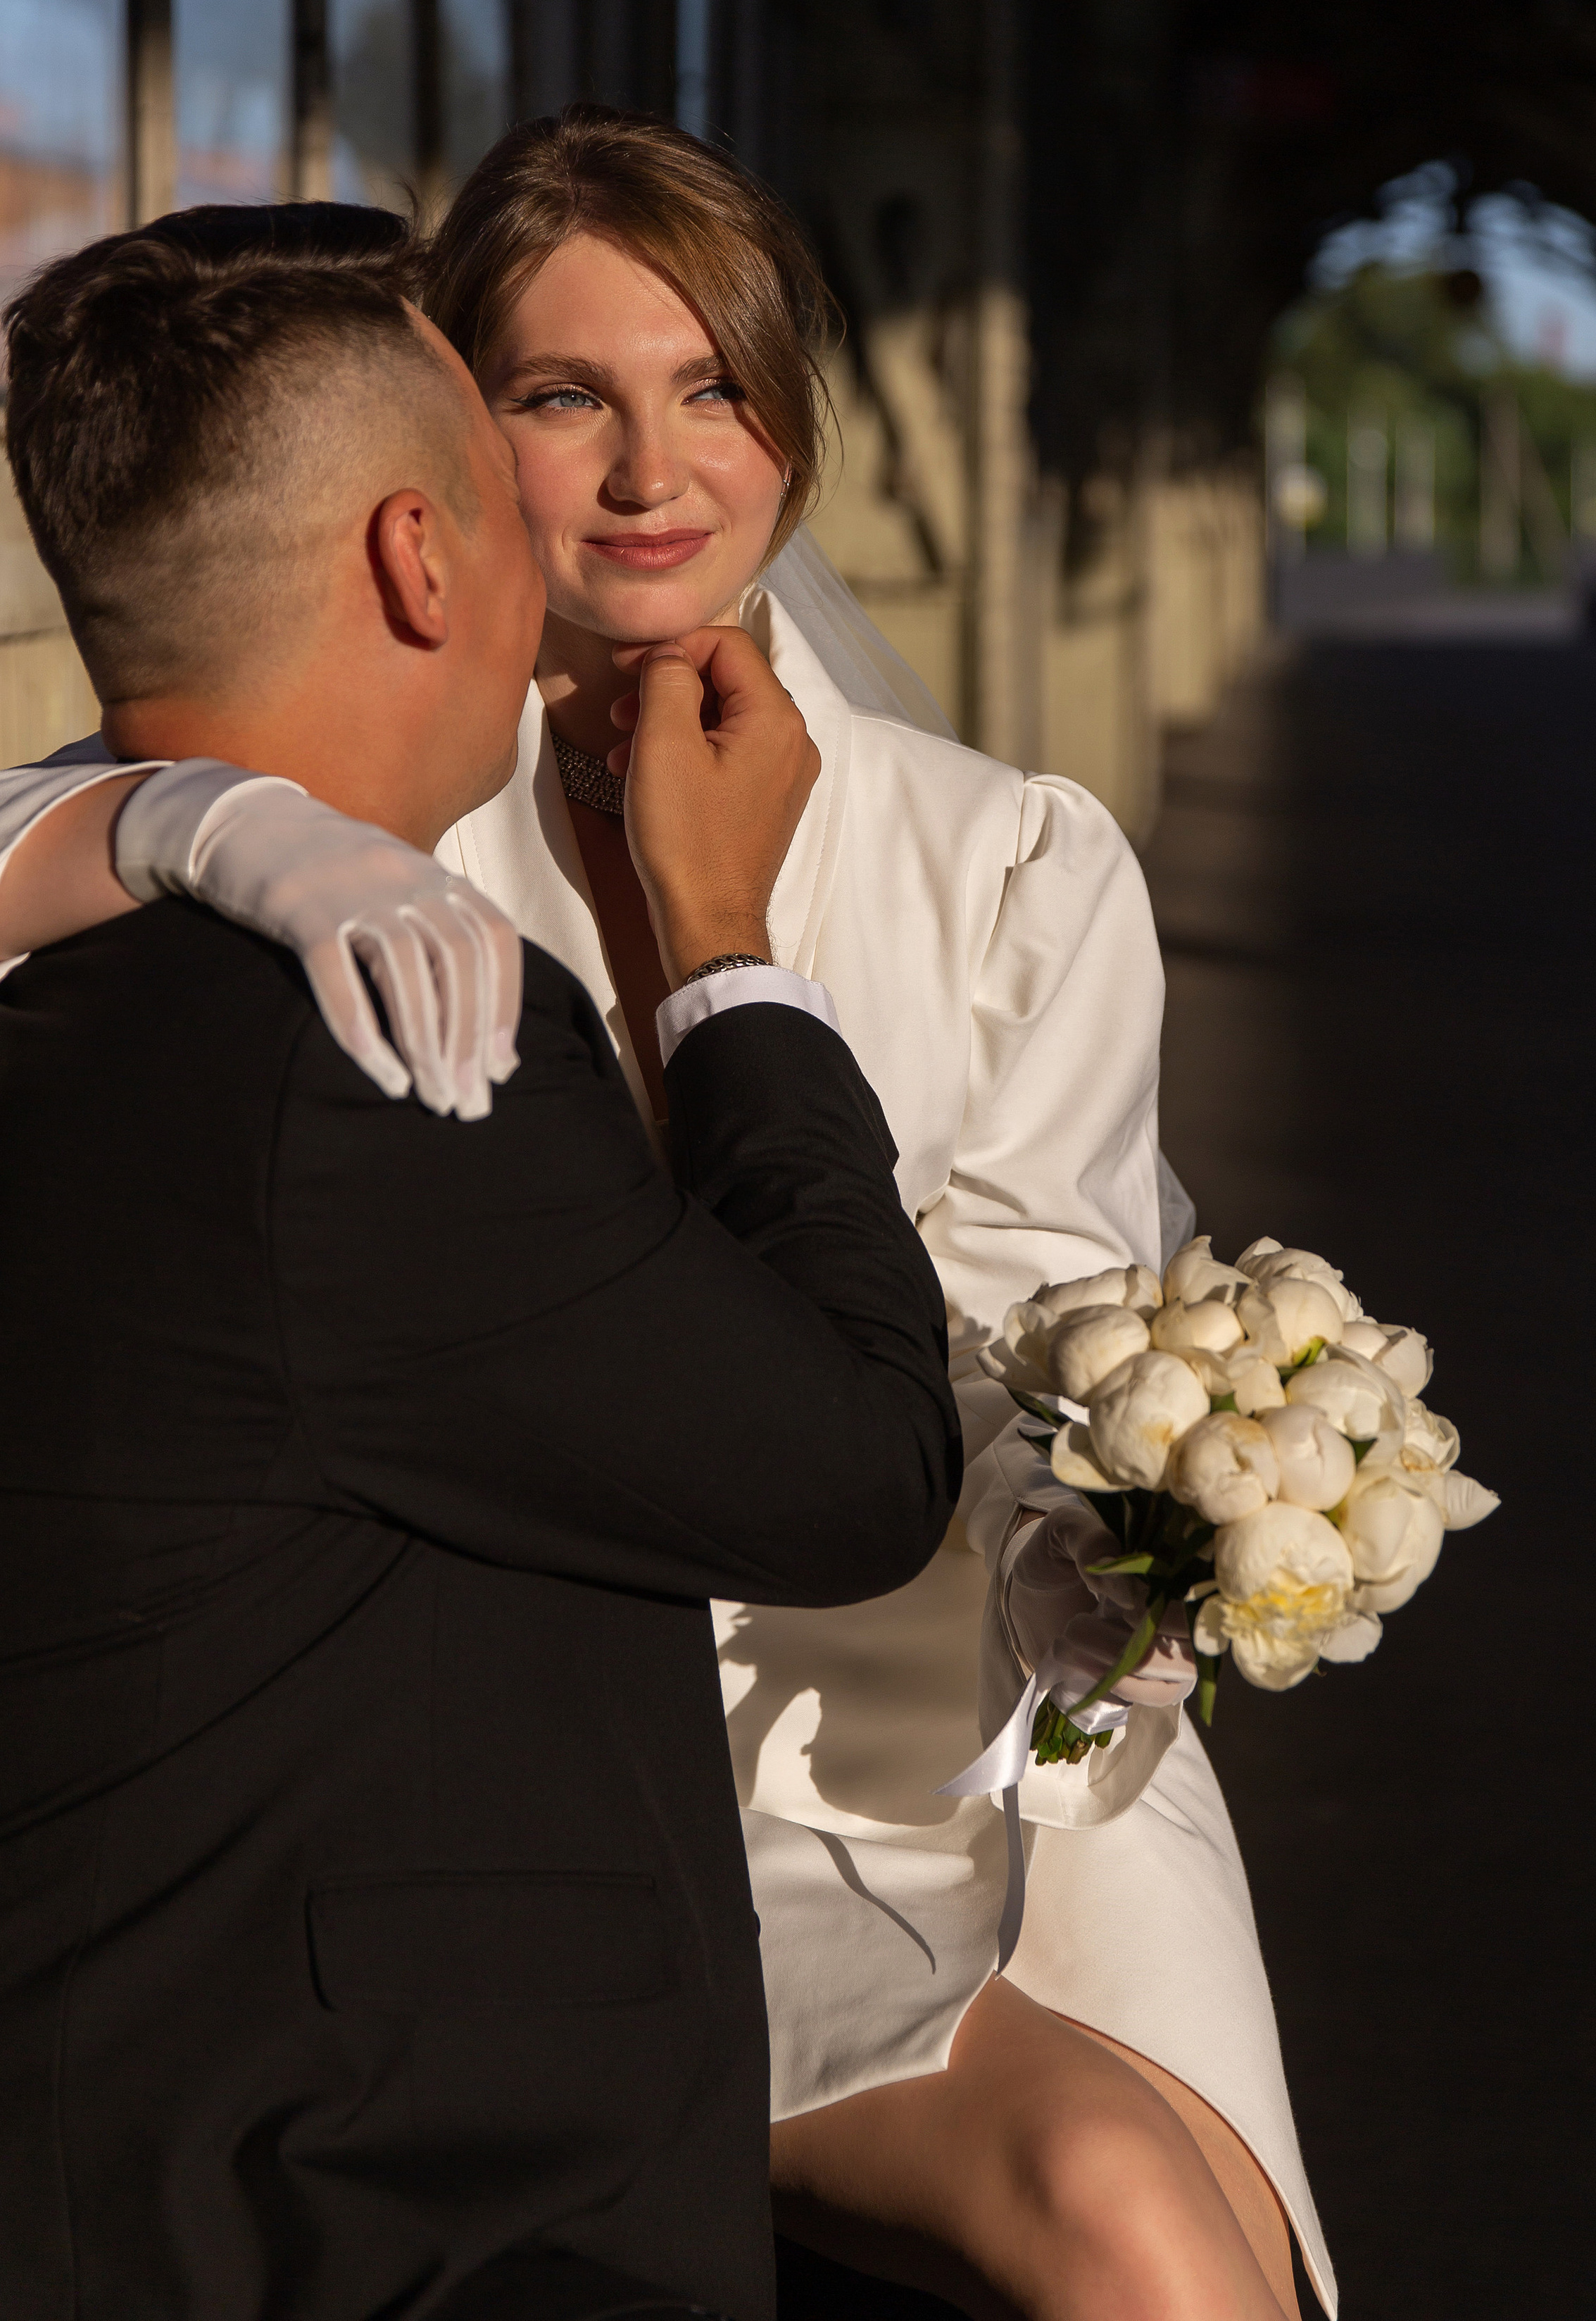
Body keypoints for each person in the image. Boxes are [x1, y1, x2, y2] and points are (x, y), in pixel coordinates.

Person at [0, 122, 1335, 2321]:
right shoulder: (365, 851)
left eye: (713, 384)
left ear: (796, 426)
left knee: (1192, 2251)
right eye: (559, 396)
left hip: (956, 1708)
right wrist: (200, 815)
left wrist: (1157, 1526)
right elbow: (101, 767)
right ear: (436, 483)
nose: (649, 467)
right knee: (1115, 2222)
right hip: (632, 1747)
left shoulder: (1007, 857)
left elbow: (1029, 1336)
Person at [0, 214, 963, 2321]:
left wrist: (176, 821)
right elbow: (855, 1467)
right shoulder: (386, 1042)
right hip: (382, 2207)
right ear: (424, 563)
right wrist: (721, 960)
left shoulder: (56, 956)